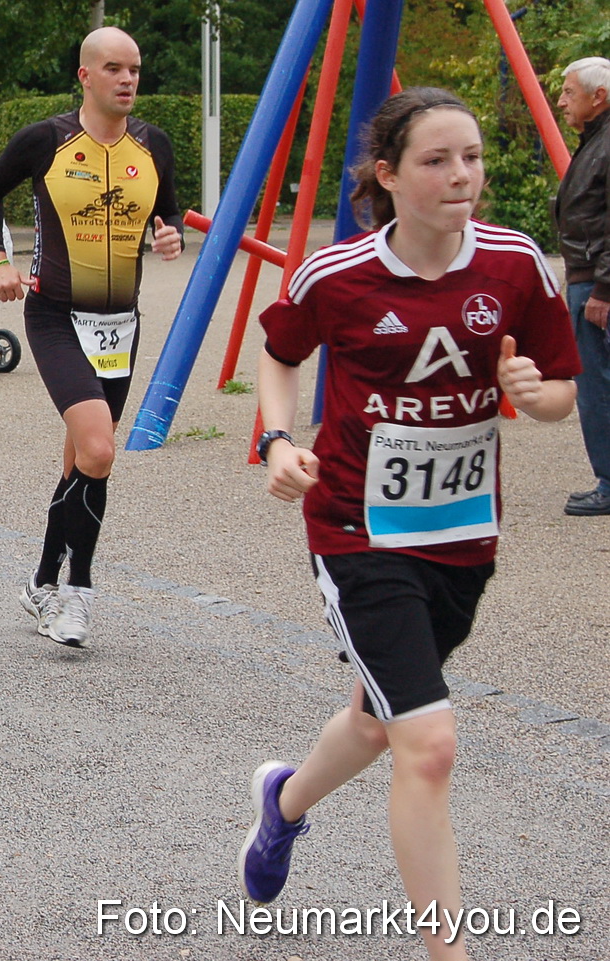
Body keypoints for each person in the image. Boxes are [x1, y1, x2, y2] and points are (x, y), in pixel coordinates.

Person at [243, 89, 578, 961]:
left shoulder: (516, 265)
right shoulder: (339, 273)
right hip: (358, 530)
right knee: (427, 742)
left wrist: (541, 398)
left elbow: (561, 390)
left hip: (464, 536)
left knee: (375, 719)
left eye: (470, 156)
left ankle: (281, 804)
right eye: (437, 160)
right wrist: (280, 440)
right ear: (388, 176)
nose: (461, 174)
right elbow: (280, 354)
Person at [0, 26, 183, 648]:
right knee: (99, 451)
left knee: (81, 460)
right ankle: (76, 595)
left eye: (136, 69)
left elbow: (168, 207)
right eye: (114, 69)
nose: (128, 80)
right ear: (85, 76)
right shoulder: (47, 139)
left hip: (121, 323)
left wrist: (168, 231)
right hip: (56, 317)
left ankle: (41, 578)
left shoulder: (155, 145)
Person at [552, 56, 610, 516]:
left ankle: (609, 482)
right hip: (590, 277)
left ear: (599, 97)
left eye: (569, 91)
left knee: (596, 386)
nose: (561, 100)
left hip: (596, 283)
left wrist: (604, 290)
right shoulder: (595, 141)